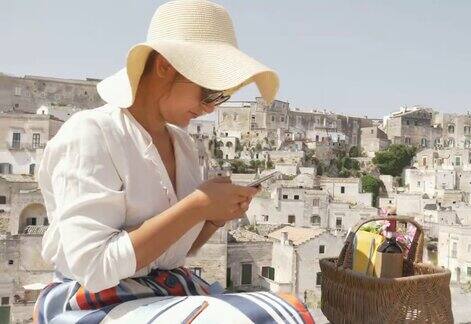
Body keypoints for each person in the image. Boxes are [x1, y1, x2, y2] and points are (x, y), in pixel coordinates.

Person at [33, 1, 314, 323]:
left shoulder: (183, 144)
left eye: (221, 97)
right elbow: (97, 268)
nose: (210, 108)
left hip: (159, 290)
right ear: (165, 66)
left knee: (280, 307)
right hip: (92, 301)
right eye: (209, 93)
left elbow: (174, 252)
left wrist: (214, 217)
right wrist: (197, 205)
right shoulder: (92, 133)